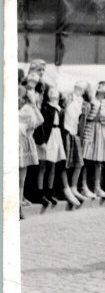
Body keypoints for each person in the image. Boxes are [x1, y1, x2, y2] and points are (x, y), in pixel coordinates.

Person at [83, 81, 105, 198]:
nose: (100, 85)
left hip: (101, 130)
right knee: (85, 158)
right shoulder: (91, 99)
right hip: (90, 128)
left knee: (99, 160)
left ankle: (97, 188)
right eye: (99, 84)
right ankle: (83, 187)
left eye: (104, 85)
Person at [19, 82, 43, 218]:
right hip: (15, 142)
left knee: (21, 178)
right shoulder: (21, 110)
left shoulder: (28, 109)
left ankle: (18, 206)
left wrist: (34, 105)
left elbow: (40, 120)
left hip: (23, 144)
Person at [63, 81, 89, 202]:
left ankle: (74, 187)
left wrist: (81, 135)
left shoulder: (83, 103)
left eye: (81, 88)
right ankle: (66, 188)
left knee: (79, 162)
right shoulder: (68, 97)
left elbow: (82, 120)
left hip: (75, 133)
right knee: (65, 162)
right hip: (65, 132)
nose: (78, 90)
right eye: (77, 87)